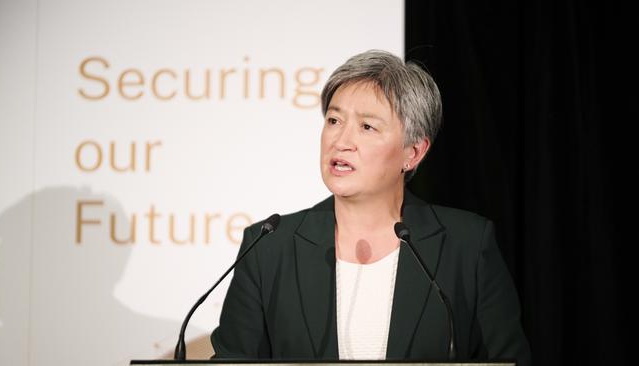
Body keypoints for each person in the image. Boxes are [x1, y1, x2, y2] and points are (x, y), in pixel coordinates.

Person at [210, 50, 531, 365]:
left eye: (367, 127)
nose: (341, 140)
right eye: (334, 120)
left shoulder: (467, 245)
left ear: (413, 152)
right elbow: (233, 361)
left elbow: (505, 360)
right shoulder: (268, 246)